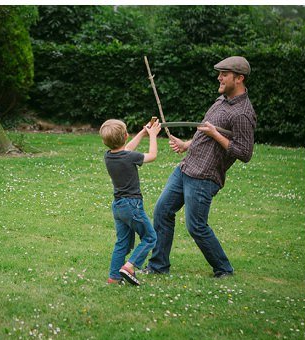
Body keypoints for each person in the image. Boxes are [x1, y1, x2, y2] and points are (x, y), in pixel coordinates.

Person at [143, 56, 256, 278]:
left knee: (196, 226)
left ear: (239, 78)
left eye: (224, 74)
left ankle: (224, 269)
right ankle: (158, 266)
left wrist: (216, 134)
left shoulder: (242, 114)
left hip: (205, 176)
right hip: (186, 168)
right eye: (220, 73)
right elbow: (205, 132)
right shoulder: (221, 101)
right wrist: (187, 144)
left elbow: (244, 153)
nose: (219, 77)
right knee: (162, 211)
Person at [100, 118, 161, 285]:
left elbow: (126, 148)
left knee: (122, 243)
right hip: (132, 205)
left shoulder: (109, 156)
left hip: (118, 206)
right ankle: (129, 267)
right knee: (150, 237)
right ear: (126, 135)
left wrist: (143, 132)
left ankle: (114, 277)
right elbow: (152, 156)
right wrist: (153, 135)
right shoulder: (129, 157)